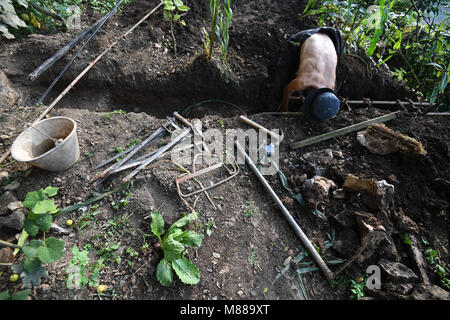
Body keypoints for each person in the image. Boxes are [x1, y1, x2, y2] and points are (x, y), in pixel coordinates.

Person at [274, 27, 343, 120]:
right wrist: (285, 111)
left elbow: (322, 105)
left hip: (332, 40)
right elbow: (287, 90)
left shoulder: (331, 88)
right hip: (310, 36)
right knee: (284, 70)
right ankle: (275, 99)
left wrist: (302, 109)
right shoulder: (304, 82)